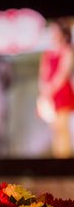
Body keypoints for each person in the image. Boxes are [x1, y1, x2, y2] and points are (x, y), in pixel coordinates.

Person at [37, 19, 74, 158]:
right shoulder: (48, 52)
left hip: (62, 94)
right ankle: (58, 159)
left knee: (62, 129)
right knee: (55, 130)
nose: (52, 33)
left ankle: (65, 160)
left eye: (55, 30)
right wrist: (44, 91)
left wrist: (50, 89)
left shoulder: (67, 51)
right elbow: (43, 73)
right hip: (49, 95)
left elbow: (62, 74)